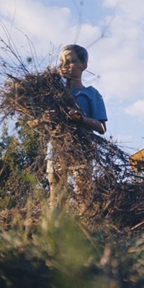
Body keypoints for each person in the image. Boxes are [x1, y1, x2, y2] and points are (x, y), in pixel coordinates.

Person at [48, 44, 108, 208]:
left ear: (84, 65)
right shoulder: (52, 93)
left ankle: (84, 228)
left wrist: (82, 119)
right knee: (56, 196)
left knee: (83, 193)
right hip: (57, 149)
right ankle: (55, 230)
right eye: (62, 62)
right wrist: (46, 119)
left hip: (83, 149)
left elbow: (101, 128)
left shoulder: (91, 94)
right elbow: (34, 121)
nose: (64, 67)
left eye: (70, 61)